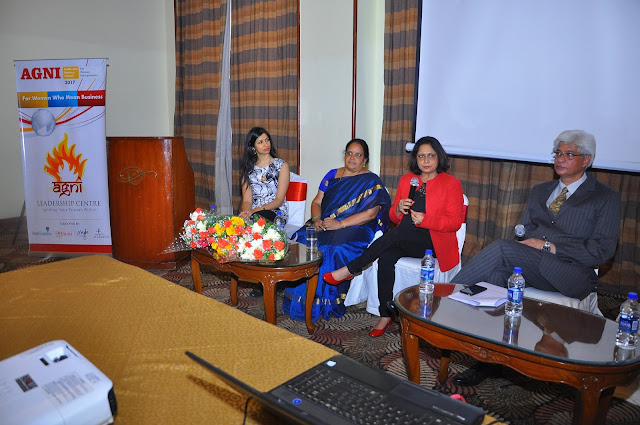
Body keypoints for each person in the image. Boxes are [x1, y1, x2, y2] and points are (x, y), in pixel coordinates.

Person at [451, 129, 621, 386]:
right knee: (496, 276)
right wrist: (527, 241)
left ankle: (445, 296)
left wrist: (548, 246)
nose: (560, 159)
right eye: (557, 153)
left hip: (571, 273)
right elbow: (525, 231)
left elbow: (602, 251)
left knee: (502, 248)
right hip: (533, 266)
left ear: (586, 159)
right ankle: (488, 361)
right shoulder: (541, 190)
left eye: (569, 154)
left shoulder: (605, 197)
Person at [325, 137, 464, 337]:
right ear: (415, 159)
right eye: (421, 156)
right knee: (386, 256)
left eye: (430, 156)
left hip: (433, 242)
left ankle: (352, 268)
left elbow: (454, 222)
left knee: (397, 233)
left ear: (439, 157)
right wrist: (398, 209)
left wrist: (426, 219)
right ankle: (385, 314)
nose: (425, 160)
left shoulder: (451, 183)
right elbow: (393, 217)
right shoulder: (408, 180)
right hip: (405, 237)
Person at [282, 139, 391, 322]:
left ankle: (328, 303)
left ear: (365, 160)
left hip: (357, 226)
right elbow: (317, 202)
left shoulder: (371, 180)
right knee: (304, 239)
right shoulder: (332, 175)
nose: (352, 158)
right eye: (349, 153)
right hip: (326, 223)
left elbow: (371, 214)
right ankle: (300, 301)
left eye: (358, 155)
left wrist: (340, 224)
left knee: (333, 247)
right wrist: (317, 219)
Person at [239, 127, 290, 297]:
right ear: (253, 146)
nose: (265, 144)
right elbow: (247, 200)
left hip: (276, 211)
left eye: (267, 140)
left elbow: (279, 200)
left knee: (260, 223)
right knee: (240, 224)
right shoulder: (248, 169)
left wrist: (254, 211)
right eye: (260, 142)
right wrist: (246, 212)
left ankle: (270, 280)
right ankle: (258, 276)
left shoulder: (281, 165)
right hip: (254, 211)